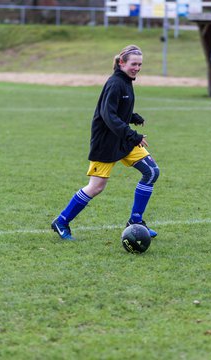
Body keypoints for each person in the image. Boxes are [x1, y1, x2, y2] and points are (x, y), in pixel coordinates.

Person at [51, 44, 160, 241]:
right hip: (106, 143)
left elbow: (117, 110)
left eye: (140, 64)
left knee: (151, 171)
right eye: (133, 64)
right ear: (121, 63)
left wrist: (132, 116)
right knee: (96, 187)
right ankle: (62, 220)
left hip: (122, 141)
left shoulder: (126, 81)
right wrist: (133, 135)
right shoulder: (115, 83)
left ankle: (135, 221)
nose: (137, 68)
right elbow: (107, 115)